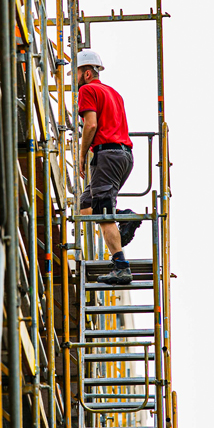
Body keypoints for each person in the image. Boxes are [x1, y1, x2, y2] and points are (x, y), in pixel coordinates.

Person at [76, 50, 141, 285]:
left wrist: (82, 154)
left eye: (76, 73)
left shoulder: (88, 90)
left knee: (104, 215)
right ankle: (124, 217)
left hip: (108, 155)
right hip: (124, 156)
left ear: (87, 73)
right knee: (86, 207)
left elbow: (91, 125)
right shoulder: (113, 93)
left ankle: (121, 267)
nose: (74, 79)